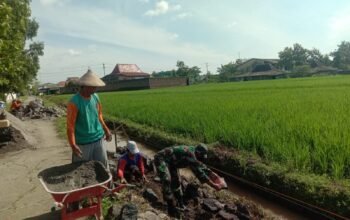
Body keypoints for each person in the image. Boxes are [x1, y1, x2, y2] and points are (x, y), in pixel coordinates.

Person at [154, 143, 223, 215]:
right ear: (198, 153)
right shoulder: (190, 154)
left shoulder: (194, 153)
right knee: (167, 179)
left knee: (177, 182)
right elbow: (200, 174)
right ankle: (170, 206)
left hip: (172, 163)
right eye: (201, 156)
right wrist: (214, 185)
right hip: (161, 159)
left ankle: (180, 203)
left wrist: (216, 176)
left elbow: (202, 166)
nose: (201, 158)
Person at [66, 69, 112, 169]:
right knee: (82, 170)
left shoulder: (95, 97)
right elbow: (70, 127)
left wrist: (106, 130)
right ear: (84, 86)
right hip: (83, 143)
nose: (95, 89)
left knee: (103, 168)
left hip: (98, 139)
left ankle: (107, 184)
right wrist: (73, 145)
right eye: (92, 87)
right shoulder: (74, 102)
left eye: (95, 87)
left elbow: (99, 115)